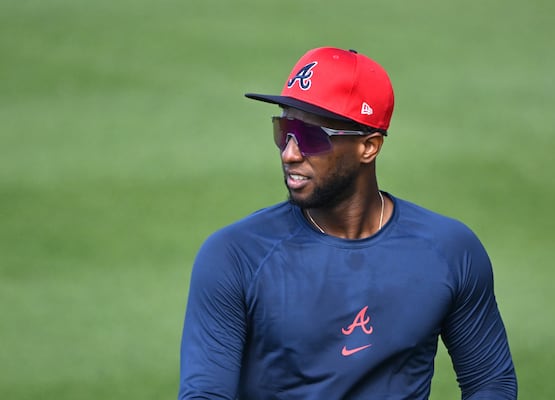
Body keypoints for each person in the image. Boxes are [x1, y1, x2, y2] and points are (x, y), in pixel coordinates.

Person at [178, 47, 517, 399]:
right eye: (284, 129)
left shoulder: (449, 251)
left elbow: (490, 383)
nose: (290, 152)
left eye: (310, 136)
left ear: (368, 147)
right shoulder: (235, 256)